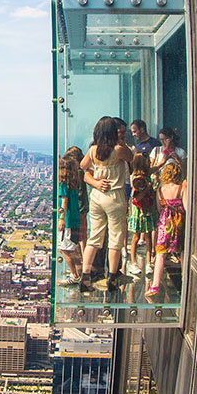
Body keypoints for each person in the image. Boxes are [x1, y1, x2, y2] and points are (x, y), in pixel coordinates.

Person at [79, 117, 134, 293]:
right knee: (115, 238)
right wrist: (120, 142)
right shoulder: (118, 150)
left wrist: (95, 179)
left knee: (94, 237)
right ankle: (112, 277)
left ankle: (85, 276)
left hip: (97, 197)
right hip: (114, 196)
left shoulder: (93, 150)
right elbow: (131, 157)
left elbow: (83, 166)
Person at [147, 160, 188, 298]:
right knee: (182, 252)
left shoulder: (160, 190)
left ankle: (155, 285)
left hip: (165, 222)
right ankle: (185, 281)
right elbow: (187, 207)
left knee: (161, 253)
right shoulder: (181, 188)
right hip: (179, 221)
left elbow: (159, 208)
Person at [126, 153, 156, 276]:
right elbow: (136, 197)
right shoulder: (135, 179)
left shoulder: (147, 177)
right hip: (139, 212)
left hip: (147, 210)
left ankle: (148, 263)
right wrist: (147, 189)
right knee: (136, 237)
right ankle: (133, 262)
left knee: (148, 237)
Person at [57, 156, 83, 283]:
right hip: (75, 220)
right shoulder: (74, 184)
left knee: (64, 249)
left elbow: (64, 202)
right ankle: (79, 273)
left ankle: (74, 275)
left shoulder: (63, 185)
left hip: (67, 221)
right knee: (73, 248)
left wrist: (61, 218)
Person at [63, 146, 89, 248]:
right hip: (82, 207)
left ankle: (83, 258)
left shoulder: (79, 173)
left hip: (79, 208)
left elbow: (80, 192)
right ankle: (83, 257)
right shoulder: (82, 172)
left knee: (80, 235)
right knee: (82, 235)